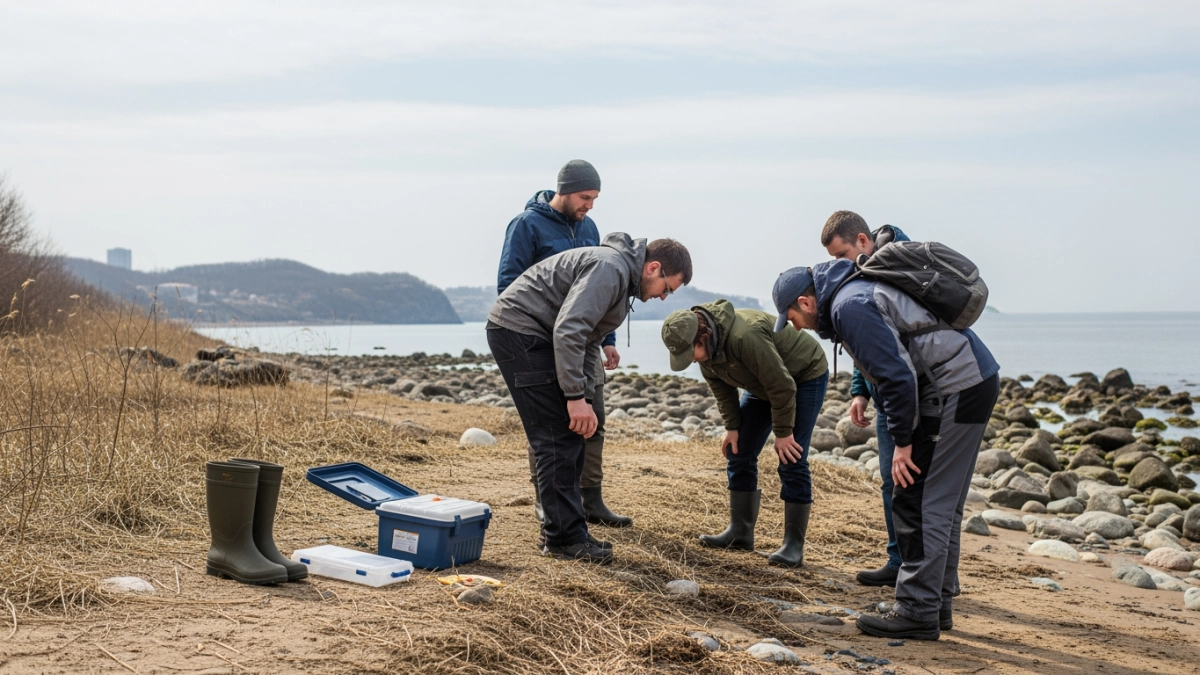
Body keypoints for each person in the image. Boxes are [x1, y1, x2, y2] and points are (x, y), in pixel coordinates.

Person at [773, 262, 999, 640]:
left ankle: (916, 611)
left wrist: (903, 443)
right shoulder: (854, 294)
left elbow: (897, 375)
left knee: (917, 499)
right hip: (971, 380)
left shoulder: (849, 305)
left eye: (792, 317)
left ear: (805, 302)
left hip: (955, 388)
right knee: (942, 501)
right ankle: (934, 604)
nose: (795, 326)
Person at [488, 233, 692, 564]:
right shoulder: (610, 268)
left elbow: (587, 340)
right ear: (653, 268)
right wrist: (573, 397)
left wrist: (582, 395)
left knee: (570, 436)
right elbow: (569, 330)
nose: (664, 298)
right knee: (555, 439)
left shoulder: (621, 276)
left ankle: (570, 531)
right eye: (667, 288)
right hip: (520, 333)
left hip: (534, 334)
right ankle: (563, 540)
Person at [497, 159, 631, 528]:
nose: (590, 205)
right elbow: (510, 284)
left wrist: (609, 340)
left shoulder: (590, 227)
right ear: (564, 190)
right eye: (585, 197)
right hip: (541, 339)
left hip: (585, 340)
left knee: (594, 418)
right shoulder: (526, 225)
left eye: (595, 198)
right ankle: (549, 501)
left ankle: (591, 499)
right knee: (551, 423)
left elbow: (602, 291)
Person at [660, 299, 828, 566]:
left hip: (802, 376)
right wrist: (732, 427)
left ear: (703, 336)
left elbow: (783, 386)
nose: (690, 359)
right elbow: (722, 390)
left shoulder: (743, 336)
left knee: (791, 457)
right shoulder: (707, 349)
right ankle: (740, 533)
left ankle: (793, 546)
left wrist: (783, 432)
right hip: (762, 382)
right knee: (738, 452)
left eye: (690, 352)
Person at [819, 210, 910, 587]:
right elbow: (868, 346)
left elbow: (891, 348)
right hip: (886, 397)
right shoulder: (863, 272)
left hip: (911, 396)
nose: (839, 266)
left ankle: (920, 572)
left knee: (911, 486)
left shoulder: (897, 268)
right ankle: (898, 561)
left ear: (862, 240)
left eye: (841, 255)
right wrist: (860, 391)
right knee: (892, 483)